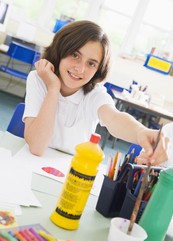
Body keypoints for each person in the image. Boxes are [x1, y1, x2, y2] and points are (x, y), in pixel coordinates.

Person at [23, 20, 169, 166]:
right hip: (28, 162)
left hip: (70, 171)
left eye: (91, 63)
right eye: (75, 55)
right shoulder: (38, 79)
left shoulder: (94, 94)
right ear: (60, 50)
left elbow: (114, 118)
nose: (80, 69)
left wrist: (140, 132)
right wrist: (53, 88)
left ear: (98, 69)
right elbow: (37, 147)